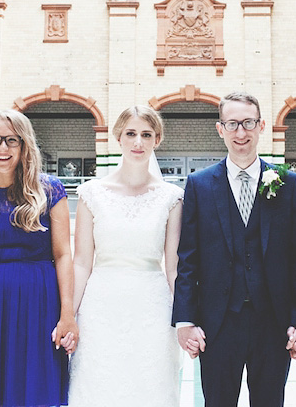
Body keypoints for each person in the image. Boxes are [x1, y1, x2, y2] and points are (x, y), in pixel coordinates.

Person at [172, 91, 296, 407]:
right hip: (217, 324)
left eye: (248, 123)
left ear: (261, 126)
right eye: (232, 124)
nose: (241, 133)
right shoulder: (199, 185)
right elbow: (188, 259)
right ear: (220, 129)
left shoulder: (287, 183)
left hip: (274, 324)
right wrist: (185, 320)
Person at [0, 110, 77, 407]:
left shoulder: (50, 190)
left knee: (35, 387)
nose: (3, 148)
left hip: (40, 301)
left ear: (24, 145)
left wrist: (68, 314)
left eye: (11, 140)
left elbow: (62, 255)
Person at [69, 106, 184, 406]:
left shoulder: (171, 197)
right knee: (99, 386)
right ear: (118, 137)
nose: (138, 142)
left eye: (146, 135)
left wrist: (185, 318)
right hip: (101, 306)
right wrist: (68, 314)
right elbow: (81, 263)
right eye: (131, 134)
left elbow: (173, 268)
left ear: (157, 140)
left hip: (152, 308)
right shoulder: (91, 194)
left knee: (151, 387)